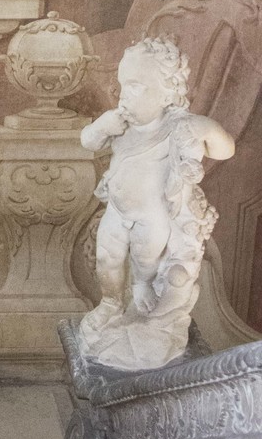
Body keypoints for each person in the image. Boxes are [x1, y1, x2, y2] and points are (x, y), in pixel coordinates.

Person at [77, 37, 235, 370]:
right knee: (106, 258)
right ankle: (110, 303)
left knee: (145, 258)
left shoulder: (175, 128)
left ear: (167, 94)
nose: (123, 96)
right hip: (117, 211)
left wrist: (203, 128)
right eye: (122, 85)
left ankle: (142, 286)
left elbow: (225, 149)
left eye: (135, 87)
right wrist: (101, 126)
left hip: (152, 217)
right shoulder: (119, 124)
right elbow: (88, 141)